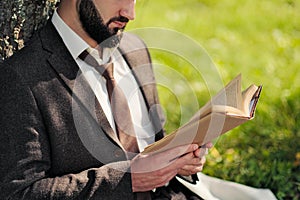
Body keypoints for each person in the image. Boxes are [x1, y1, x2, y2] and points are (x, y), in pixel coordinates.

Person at [0, 0, 212, 199]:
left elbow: (155, 140)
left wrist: (179, 159)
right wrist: (129, 180)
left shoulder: (135, 49)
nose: (131, 13)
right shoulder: (20, 77)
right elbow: (21, 192)